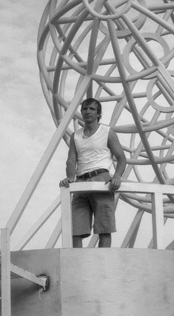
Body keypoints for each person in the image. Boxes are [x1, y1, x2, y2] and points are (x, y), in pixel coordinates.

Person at [59, 98, 127, 248]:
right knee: (76, 229)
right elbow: (71, 160)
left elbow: (121, 158)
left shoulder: (107, 132)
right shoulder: (75, 136)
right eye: (85, 109)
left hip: (101, 179)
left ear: (98, 113)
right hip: (80, 182)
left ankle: (102, 260)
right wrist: (70, 178)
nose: (88, 111)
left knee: (104, 227)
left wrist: (117, 176)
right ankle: (79, 260)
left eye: (92, 109)